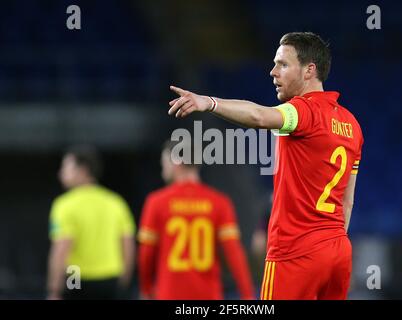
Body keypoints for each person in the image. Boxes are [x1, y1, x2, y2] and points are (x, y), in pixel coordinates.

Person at [167, 32, 364, 300]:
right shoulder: (352, 125)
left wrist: (209, 102)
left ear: (309, 70)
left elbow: (259, 116)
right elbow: (347, 202)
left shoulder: (303, 111)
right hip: (338, 251)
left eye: (283, 64)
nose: (272, 72)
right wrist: (330, 244)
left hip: (295, 253)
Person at [137, 140, 255, 299]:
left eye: (164, 163)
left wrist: (146, 289)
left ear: (176, 162)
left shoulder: (156, 202)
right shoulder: (219, 202)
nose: (162, 169)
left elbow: (146, 254)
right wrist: (247, 295)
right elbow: (233, 253)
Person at [47, 145, 136, 300]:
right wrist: (123, 281)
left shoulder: (64, 205)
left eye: (66, 167)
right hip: (111, 278)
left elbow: (61, 249)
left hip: (76, 277)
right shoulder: (116, 203)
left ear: (83, 170)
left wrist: (54, 290)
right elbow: (128, 246)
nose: (60, 173)